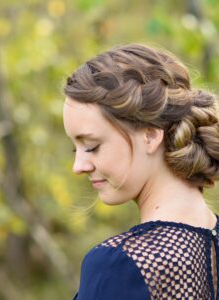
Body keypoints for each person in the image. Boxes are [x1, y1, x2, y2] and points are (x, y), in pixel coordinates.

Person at [63, 44, 219, 299]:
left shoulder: (120, 266)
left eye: (91, 147)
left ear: (149, 135)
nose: (78, 166)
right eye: (75, 150)